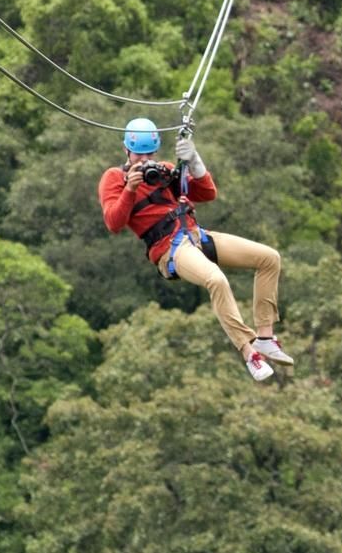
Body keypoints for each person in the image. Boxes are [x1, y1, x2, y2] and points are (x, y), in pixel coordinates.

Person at [100, 117, 292, 382]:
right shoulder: (115, 178)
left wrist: (194, 160)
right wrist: (130, 188)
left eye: (149, 154)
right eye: (138, 155)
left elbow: (208, 193)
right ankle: (249, 353)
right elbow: (114, 222)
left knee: (269, 258)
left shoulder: (164, 170)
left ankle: (266, 337)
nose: (144, 161)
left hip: (195, 236)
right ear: (126, 151)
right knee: (216, 279)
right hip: (169, 249)